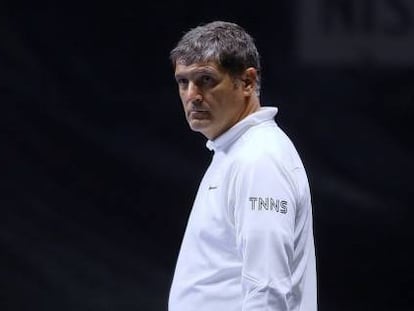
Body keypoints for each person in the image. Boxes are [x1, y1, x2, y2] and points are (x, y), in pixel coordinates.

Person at [168, 21, 317, 311]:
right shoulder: (235, 152)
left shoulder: (259, 159)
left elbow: (268, 289)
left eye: (206, 79)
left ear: (247, 82)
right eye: (183, 82)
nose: (191, 95)